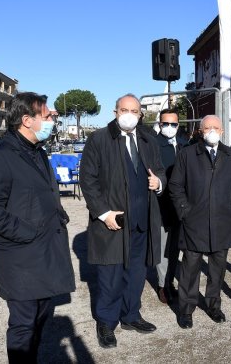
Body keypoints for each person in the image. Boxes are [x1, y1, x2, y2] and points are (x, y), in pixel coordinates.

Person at [0, 92, 75, 362]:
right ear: (27, 120)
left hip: (45, 255)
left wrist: (60, 215)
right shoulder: (0, 157)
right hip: (21, 258)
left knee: (42, 318)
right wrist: (29, 233)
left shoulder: (38, 152)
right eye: (46, 116)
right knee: (23, 326)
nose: (52, 120)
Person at [79, 93, 166, 349]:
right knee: (110, 276)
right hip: (113, 222)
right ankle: (106, 322)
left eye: (134, 110)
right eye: (124, 109)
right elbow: (88, 180)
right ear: (115, 112)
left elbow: (159, 170)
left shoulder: (148, 140)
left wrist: (158, 182)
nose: (129, 114)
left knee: (136, 274)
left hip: (142, 221)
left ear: (140, 114)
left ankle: (131, 315)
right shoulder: (99, 139)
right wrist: (103, 213)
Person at [169, 115, 231, 328]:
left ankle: (214, 305)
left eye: (216, 127)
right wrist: (185, 211)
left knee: (217, 269)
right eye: (207, 127)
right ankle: (186, 310)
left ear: (222, 131)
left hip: (223, 222)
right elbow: (175, 186)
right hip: (195, 222)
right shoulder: (187, 154)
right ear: (200, 131)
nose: (212, 131)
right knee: (190, 268)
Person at [153, 108, 188, 304]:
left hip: (180, 205)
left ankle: (169, 281)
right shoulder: (153, 146)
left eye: (173, 124)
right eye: (165, 123)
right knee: (162, 248)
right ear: (159, 124)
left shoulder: (183, 144)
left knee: (174, 247)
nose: (169, 127)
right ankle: (163, 284)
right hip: (162, 203)